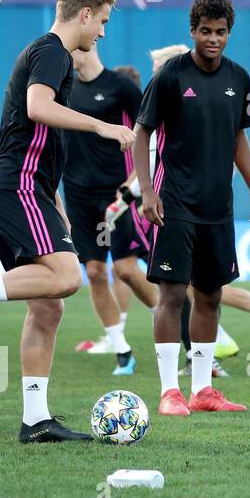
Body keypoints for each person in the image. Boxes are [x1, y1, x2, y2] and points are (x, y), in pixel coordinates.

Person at [0, 0, 135, 442]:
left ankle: (36, 421)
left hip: (27, 188)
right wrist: (101, 127)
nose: (101, 32)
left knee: (48, 307)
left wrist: (55, 203)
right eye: (101, 21)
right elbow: (37, 109)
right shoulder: (53, 51)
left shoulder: (51, 56)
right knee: (66, 279)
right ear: (83, 14)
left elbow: (44, 142)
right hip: (15, 185)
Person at [134, 0, 250, 416]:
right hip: (173, 201)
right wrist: (147, 191)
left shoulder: (240, 78)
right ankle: (170, 392)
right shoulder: (171, 75)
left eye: (221, 32)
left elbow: (238, 138)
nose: (213, 39)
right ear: (192, 31)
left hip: (218, 207)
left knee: (210, 294)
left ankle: (204, 391)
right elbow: (141, 134)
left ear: (230, 32)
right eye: (205, 31)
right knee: (172, 296)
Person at [62, 45, 149, 376]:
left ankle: (172, 323)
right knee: (95, 272)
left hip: (117, 195)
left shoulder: (121, 86)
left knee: (126, 270)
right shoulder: (62, 89)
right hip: (78, 196)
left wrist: (130, 188)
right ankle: (122, 351)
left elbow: (149, 137)